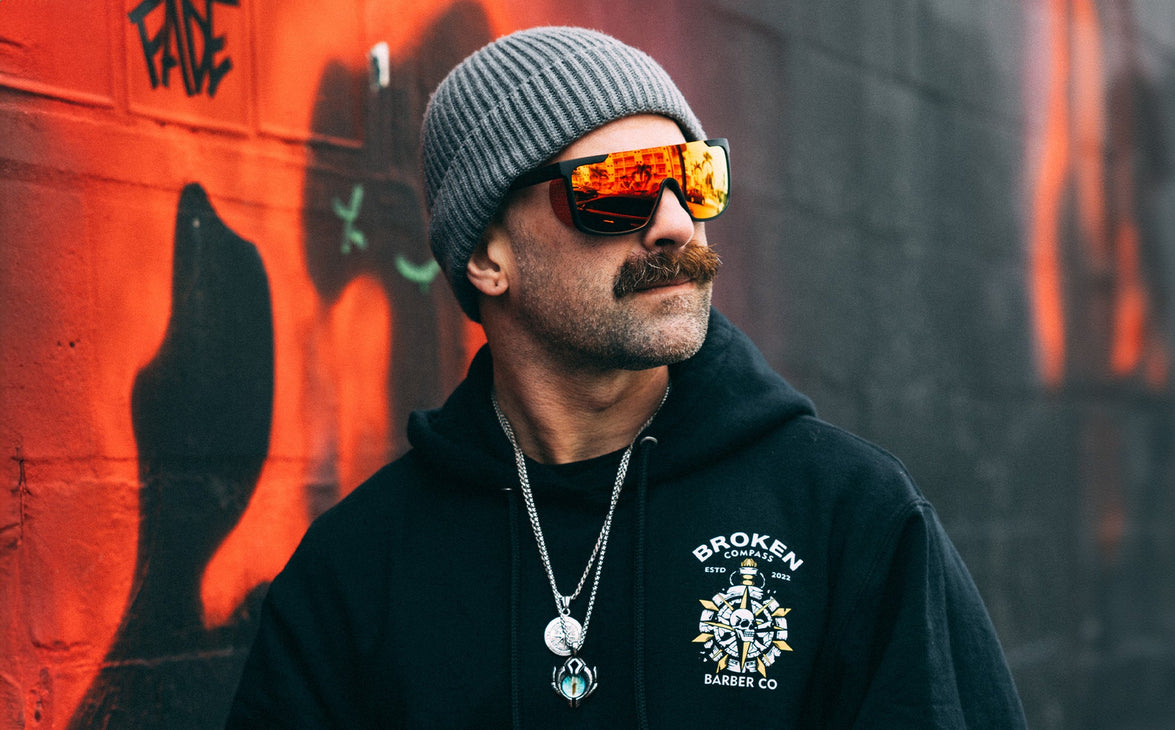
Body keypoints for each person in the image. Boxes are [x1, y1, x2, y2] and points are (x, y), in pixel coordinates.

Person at [227, 26, 1026, 728]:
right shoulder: (358, 570)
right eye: (617, 189)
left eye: (693, 179)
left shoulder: (850, 519)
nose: (677, 223)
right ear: (485, 257)